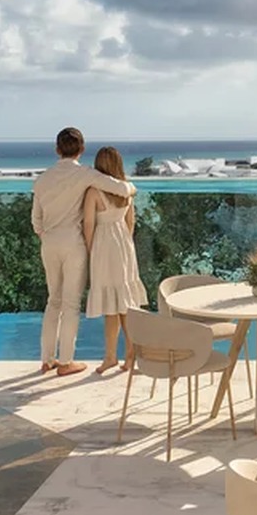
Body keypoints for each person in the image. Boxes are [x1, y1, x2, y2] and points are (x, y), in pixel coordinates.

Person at [31, 127, 136, 376]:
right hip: (74, 243)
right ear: (82, 149)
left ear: (57, 149)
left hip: (49, 241)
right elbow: (122, 189)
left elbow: (36, 219)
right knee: (70, 303)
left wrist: (45, 234)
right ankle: (66, 362)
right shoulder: (85, 175)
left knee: (53, 300)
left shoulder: (42, 179)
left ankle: (47, 359)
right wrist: (131, 187)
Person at [82, 146, 148, 373]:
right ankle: (130, 354)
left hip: (104, 246)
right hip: (123, 244)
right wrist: (125, 244)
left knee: (111, 304)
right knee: (124, 303)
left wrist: (91, 250)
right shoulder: (127, 190)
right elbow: (131, 222)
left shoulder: (93, 192)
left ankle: (111, 356)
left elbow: (88, 224)